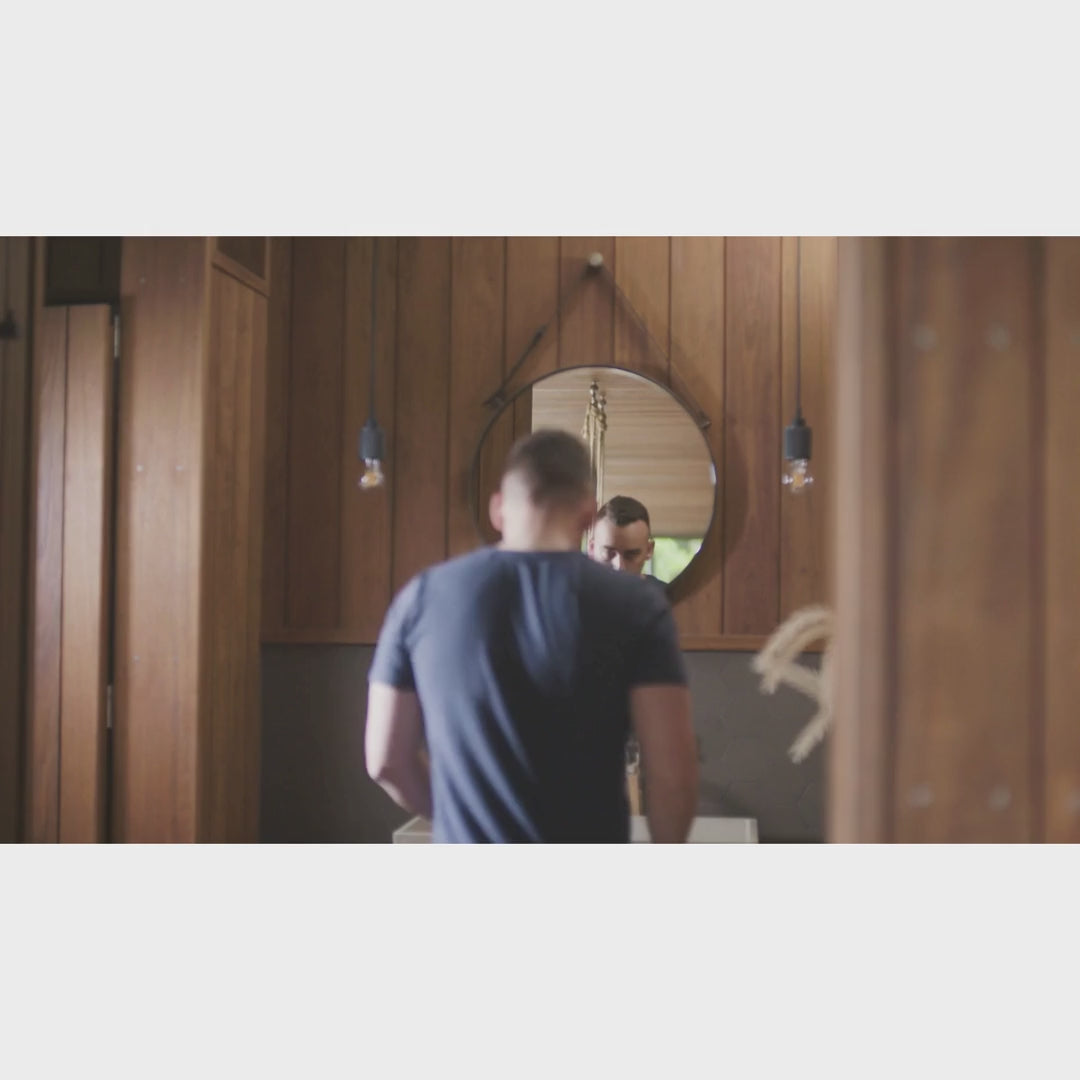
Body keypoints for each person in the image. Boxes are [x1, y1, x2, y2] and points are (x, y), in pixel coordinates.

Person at [365, 429, 698, 843]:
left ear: (498, 510)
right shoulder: (638, 606)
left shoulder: (421, 598)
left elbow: (385, 760)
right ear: (586, 516)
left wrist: (462, 817)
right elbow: (673, 777)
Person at [588, 494, 666, 591]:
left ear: (649, 550)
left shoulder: (669, 598)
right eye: (608, 553)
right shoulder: (574, 597)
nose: (619, 567)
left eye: (631, 555)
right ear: (591, 548)